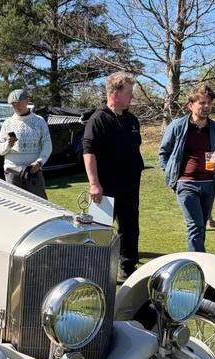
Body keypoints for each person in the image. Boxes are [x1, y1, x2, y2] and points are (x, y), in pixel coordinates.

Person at [82, 71, 144, 278]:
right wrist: (94, 184)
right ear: (115, 93)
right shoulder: (98, 119)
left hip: (130, 185)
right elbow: (88, 152)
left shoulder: (132, 120)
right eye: (129, 93)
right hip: (105, 186)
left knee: (130, 227)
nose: (132, 97)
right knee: (100, 229)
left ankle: (127, 268)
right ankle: (95, 271)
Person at [159, 83, 215, 252]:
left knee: (201, 227)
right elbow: (164, 153)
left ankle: (197, 263)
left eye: (209, 103)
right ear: (190, 105)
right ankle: (198, 265)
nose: (206, 107)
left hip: (209, 184)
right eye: (202, 103)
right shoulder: (177, 126)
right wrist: (172, 178)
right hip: (186, 184)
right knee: (195, 227)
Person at [0, 89, 52, 199]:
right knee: (15, 207)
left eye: (19, 103)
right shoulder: (7, 123)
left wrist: (39, 162)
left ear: (27, 101)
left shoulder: (39, 121)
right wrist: (8, 144)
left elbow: (47, 145)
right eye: (14, 105)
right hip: (12, 172)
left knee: (40, 205)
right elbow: (0, 150)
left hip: (33, 171)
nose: (17, 107)